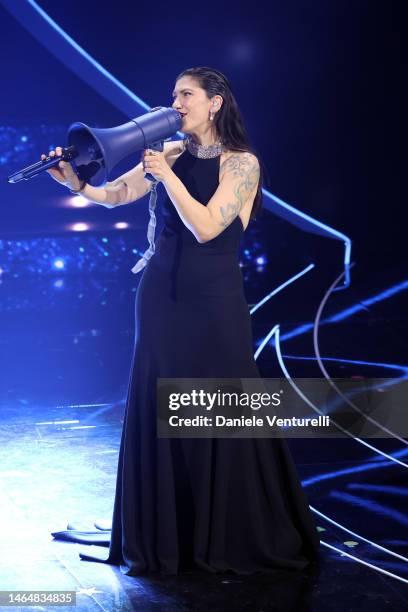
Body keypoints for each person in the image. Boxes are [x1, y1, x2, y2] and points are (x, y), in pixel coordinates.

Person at [46, 67, 320, 575]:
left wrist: (167, 176)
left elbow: (207, 226)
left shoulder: (242, 165)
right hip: (160, 298)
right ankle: (165, 539)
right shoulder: (169, 152)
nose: (176, 103)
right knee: (159, 404)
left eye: (186, 94)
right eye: (173, 94)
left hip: (213, 302)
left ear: (215, 104)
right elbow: (116, 195)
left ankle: (229, 535)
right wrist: (78, 183)